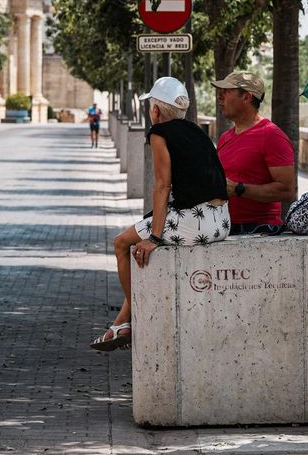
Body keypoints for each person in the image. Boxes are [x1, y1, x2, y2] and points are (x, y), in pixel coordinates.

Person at [90, 77, 230, 352]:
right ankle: (120, 323)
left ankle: (131, 319)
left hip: (195, 223)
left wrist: (154, 237)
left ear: (155, 110)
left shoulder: (158, 133)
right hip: (221, 220)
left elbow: (163, 185)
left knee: (122, 243)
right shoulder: (197, 130)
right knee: (141, 235)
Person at [211, 71, 296, 234]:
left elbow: (287, 190)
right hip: (224, 227)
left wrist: (239, 189)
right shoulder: (225, 137)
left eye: (226, 91)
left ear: (246, 97)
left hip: (257, 232)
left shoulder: (272, 135)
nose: (219, 96)